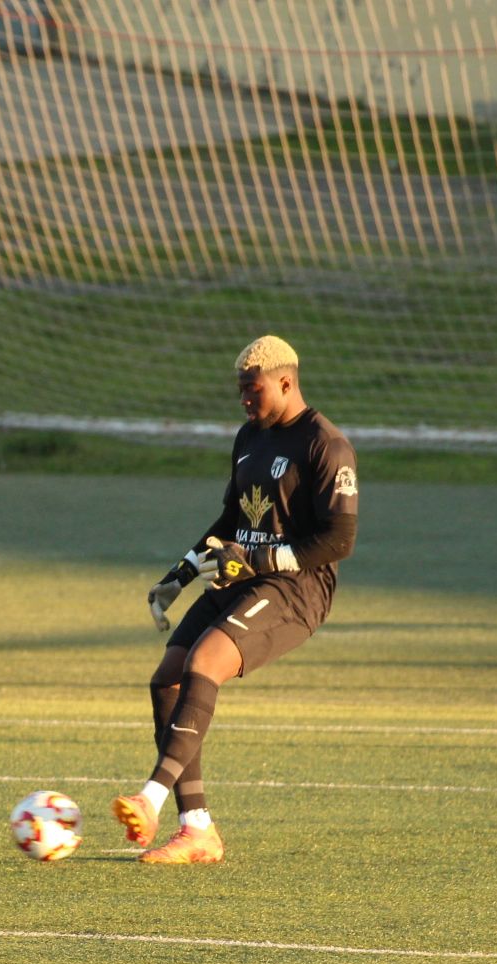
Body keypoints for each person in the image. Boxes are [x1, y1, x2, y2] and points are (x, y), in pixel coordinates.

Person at [115, 336, 358, 864]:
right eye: (241, 392)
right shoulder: (250, 436)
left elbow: (339, 541)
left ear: (286, 382)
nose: (245, 401)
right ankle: (196, 829)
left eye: (253, 390)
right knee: (168, 679)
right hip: (238, 577)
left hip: (297, 589)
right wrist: (179, 574)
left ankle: (150, 798)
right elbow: (231, 523)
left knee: (206, 662)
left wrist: (262, 562)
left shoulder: (326, 444)